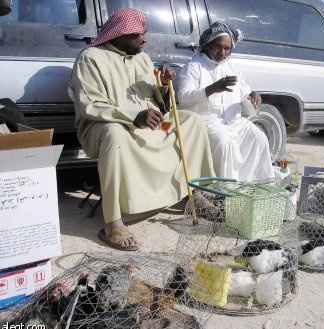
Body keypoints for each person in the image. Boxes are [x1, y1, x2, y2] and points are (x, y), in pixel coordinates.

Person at [69, 8, 215, 251]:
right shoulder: (90, 58)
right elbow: (90, 106)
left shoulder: (142, 58)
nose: (144, 39)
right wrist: (133, 117)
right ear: (121, 34)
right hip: (103, 126)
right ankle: (113, 223)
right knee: (114, 133)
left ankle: (194, 194)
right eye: (139, 35)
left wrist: (166, 87)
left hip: (146, 123)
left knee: (192, 122)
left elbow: (159, 103)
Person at [177, 21, 275, 182]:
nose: (222, 52)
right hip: (206, 121)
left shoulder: (232, 69)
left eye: (227, 48)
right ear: (207, 45)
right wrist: (212, 89)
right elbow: (184, 98)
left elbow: (247, 106)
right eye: (218, 46)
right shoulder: (194, 67)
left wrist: (253, 99)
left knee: (259, 137)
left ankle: (254, 186)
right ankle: (222, 193)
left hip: (234, 122)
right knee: (224, 143)